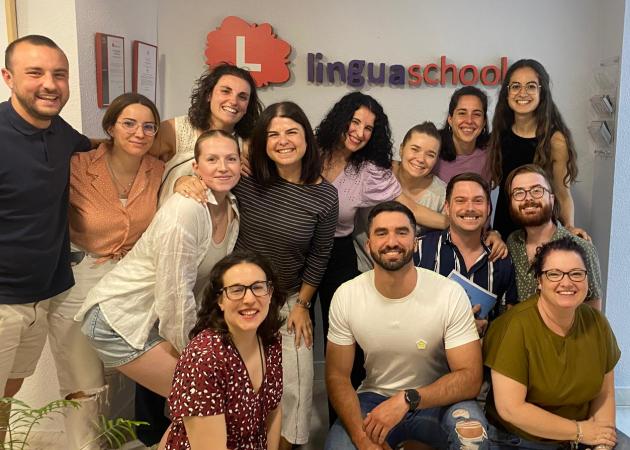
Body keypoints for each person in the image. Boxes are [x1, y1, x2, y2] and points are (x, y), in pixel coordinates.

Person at [177, 101, 338, 449]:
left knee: (295, 387)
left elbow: (320, 253)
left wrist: (302, 305)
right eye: (273, 134)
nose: (283, 141)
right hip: (238, 296)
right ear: (263, 141)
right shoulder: (247, 180)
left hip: (288, 299)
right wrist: (184, 181)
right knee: (236, 381)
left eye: (291, 131)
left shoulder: (325, 195)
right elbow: (210, 177)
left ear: (306, 138)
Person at [75, 130, 241, 401]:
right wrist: (194, 355)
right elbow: (174, 295)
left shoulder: (232, 208)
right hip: (117, 320)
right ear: (196, 167)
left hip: (154, 319)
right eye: (212, 159)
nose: (223, 167)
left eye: (231, 159)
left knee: (202, 400)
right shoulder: (186, 211)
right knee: (201, 398)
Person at [326, 201, 487, 450]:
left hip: (437, 399)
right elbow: (337, 377)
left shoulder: (448, 293)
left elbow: (470, 378)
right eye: (381, 233)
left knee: (472, 438)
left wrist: (408, 399)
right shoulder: (347, 295)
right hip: (374, 399)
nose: (392, 241)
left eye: (402, 232)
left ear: (415, 243)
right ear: (368, 245)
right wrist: (362, 440)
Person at [0, 35, 92, 443]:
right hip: (2, 298)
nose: (50, 85)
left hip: (42, 295)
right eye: (35, 73)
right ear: (8, 77)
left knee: (9, 390)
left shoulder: (61, 132)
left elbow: (101, 152)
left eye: (59, 74)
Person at [63, 92, 164, 447]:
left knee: (128, 366)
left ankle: (120, 438)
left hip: (131, 281)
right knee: (84, 378)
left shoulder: (158, 170)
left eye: (148, 126)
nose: (139, 133)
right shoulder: (78, 165)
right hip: (82, 276)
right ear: (111, 127)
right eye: (129, 123)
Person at [483, 237, 627, 449]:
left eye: (576, 274)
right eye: (554, 274)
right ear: (539, 281)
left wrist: (602, 442)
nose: (567, 282)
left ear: (587, 279)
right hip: (523, 440)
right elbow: (511, 409)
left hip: (584, 435)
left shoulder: (597, 323)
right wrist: (579, 431)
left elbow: (604, 396)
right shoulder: (514, 327)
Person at [159, 251, 284, 450]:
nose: (249, 299)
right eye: (236, 290)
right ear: (220, 301)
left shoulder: (270, 340)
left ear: (270, 293)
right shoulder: (205, 358)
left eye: (258, 287)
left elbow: (274, 411)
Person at [487, 59, 582, 240]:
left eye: (531, 86)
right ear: (507, 93)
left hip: (542, 233)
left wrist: (569, 226)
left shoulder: (555, 140)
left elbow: (562, 194)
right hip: (505, 233)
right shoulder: (499, 135)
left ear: (542, 93)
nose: (522, 93)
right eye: (516, 86)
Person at [416, 173, 517, 336]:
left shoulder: (501, 260)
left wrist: (487, 330)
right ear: (447, 208)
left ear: (488, 208)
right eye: (460, 200)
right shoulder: (419, 250)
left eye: (478, 201)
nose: (470, 208)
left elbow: (508, 321)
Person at [151, 63, 262, 206]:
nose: (233, 101)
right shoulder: (174, 130)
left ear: (248, 106)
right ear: (209, 95)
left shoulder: (246, 145)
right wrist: (177, 181)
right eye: (225, 91)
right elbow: (138, 171)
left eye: (242, 97)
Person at [504, 164, 602, 309]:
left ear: (552, 198)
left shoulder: (581, 248)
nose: (528, 198)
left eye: (537, 191)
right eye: (518, 193)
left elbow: (593, 310)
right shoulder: (512, 242)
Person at [394, 121, 447, 236]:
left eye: (430, 155)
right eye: (415, 149)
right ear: (402, 149)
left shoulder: (441, 195)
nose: (421, 159)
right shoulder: (380, 171)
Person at [436, 86, 491, 184]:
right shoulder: (434, 152)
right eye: (462, 113)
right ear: (450, 119)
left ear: (484, 122)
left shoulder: (492, 154)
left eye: (476, 114)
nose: (469, 120)